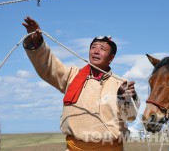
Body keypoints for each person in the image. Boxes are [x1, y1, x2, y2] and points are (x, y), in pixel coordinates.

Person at [22, 16, 140, 151]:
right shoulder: (72, 75)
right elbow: (48, 66)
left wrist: (125, 98)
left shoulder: (120, 84)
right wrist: (36, 43)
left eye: (102, 48)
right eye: (93, 47)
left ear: (111, 58)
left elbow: (130, 116)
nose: (96, 51)